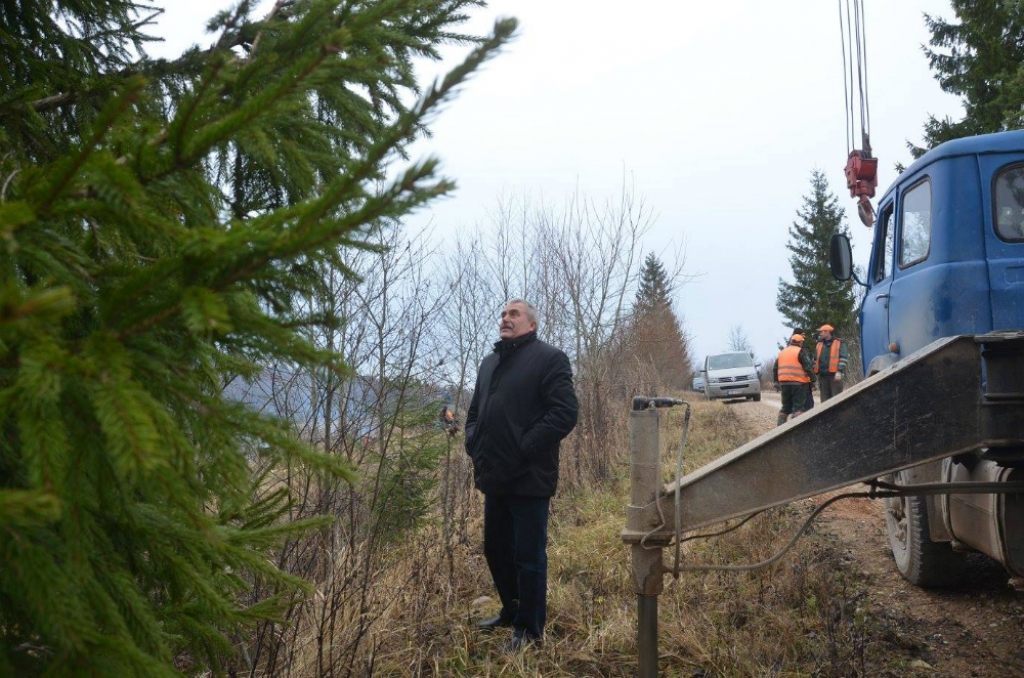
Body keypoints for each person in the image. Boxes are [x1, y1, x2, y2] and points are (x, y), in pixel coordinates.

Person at [464, 299, 578, 652]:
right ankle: (512, 612)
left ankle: (531, 630)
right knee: (496, 550)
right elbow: (474, 414)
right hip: (495, 474)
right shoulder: (489, 363)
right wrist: (474, 443)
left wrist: (522, 446)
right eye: (502, 314)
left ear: (531, 325)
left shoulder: (549, 358)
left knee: (529, 557)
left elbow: (564, 413)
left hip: (529, 477)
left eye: (514, 314)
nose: (505, 319)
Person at [773, 334, 816, 426]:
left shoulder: (782, 353)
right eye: (802, 342)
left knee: (785, 408)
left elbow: (775, 368)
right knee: (798, 408)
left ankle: (779, 428)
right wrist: (813, 380)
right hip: (799, 384)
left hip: (784, 384)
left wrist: (776, 381)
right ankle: (796, 429)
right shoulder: (801, 351)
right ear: (800, 342)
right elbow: (808, 367)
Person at [814, 324, 850, 402]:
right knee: (824, 401)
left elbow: (844, 358)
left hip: (835, 376)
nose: (820, 333)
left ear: (827, 332)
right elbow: (815, 360)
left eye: (822, 332)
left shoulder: (840, 342)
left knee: (837, 400)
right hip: (823, 376)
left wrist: (839, 371)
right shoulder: (819, 344)